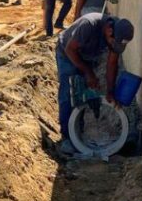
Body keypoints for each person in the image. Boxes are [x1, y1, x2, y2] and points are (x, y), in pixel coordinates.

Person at [55, 13, 135, 155]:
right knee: (69, 91)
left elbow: (112, 63)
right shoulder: (88, 25)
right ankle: (66, 137)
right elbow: (70, 49)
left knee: (84, 93)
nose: (113, 46)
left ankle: (78, 132)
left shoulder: (116, 33)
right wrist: (88, 73)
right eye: (113, 43)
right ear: (109, 31)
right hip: (67, 52)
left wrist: (110, 91)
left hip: (86, 54)